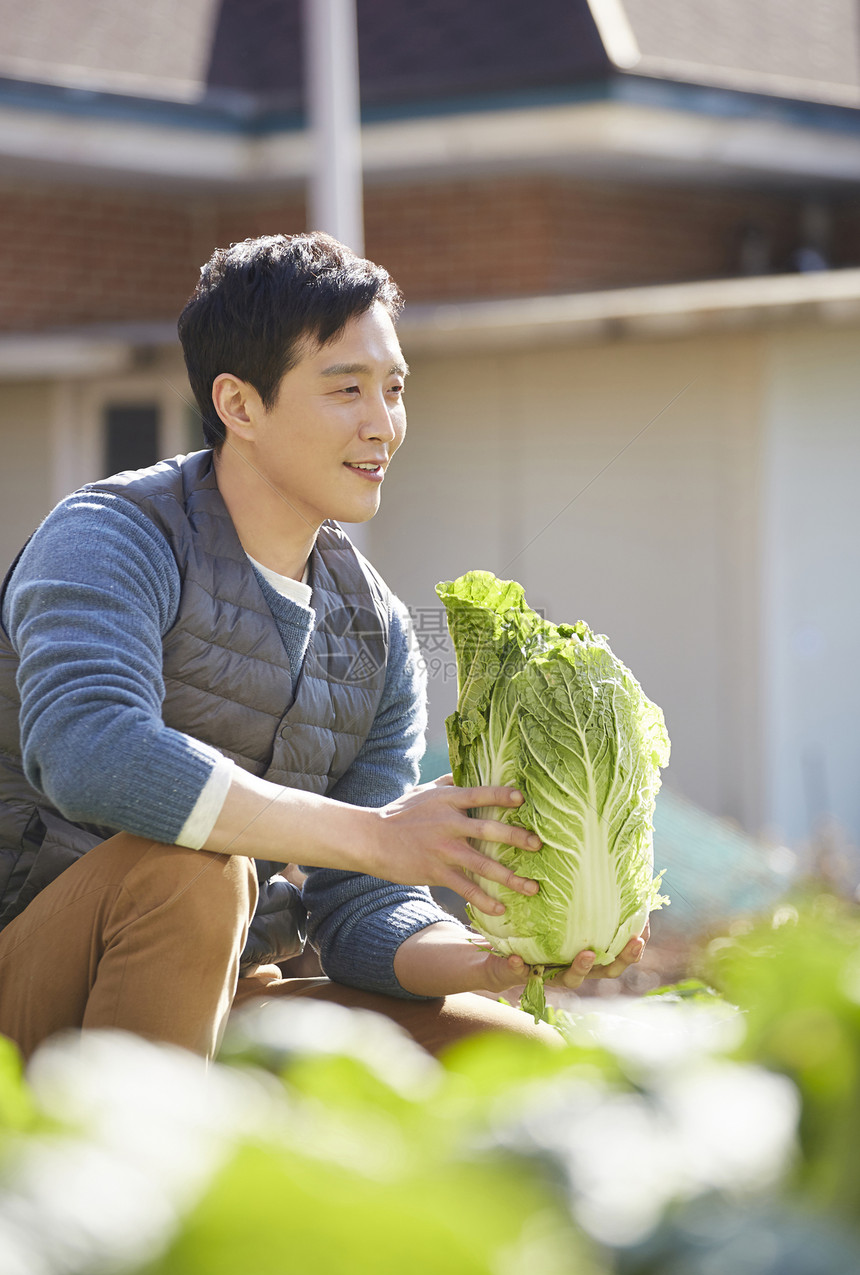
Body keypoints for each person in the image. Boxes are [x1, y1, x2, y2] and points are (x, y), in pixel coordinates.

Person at [0, 233, 646, 1063]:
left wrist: (501, 956)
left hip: (227, 986)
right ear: (240, 405)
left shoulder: (375, 631)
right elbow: (91, 751)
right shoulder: (109, 538)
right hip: (25, 977)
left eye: (395, 388)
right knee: (194, 870)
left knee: (511, 1052)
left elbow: (362, 913)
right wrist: (375, 831)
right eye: (347, 389)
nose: (384, 425)